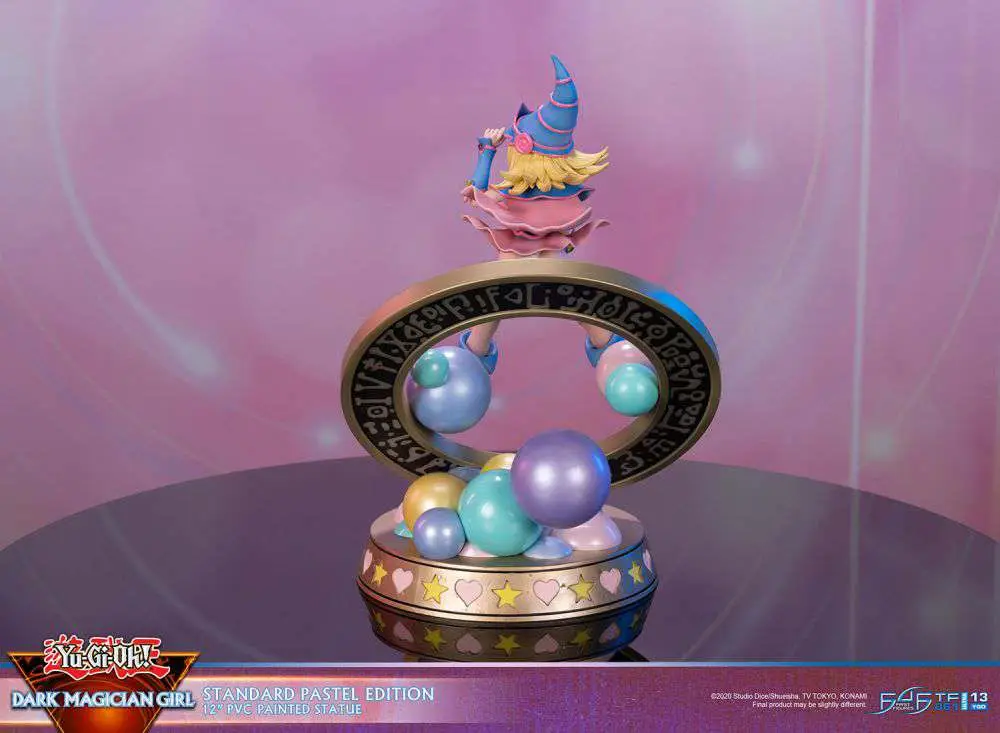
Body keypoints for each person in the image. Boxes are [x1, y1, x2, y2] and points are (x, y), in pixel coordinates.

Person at [456, 55, 622, 374]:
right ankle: (474, 355)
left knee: (562, 294)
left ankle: (611, 350)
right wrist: (487, 152)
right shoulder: (521, 192)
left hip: (541, 248)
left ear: (525, 152)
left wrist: (488, 150)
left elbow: (479, 191)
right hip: (521, 247)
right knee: (502, 293)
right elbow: (479, 191)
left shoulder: (549, 195)